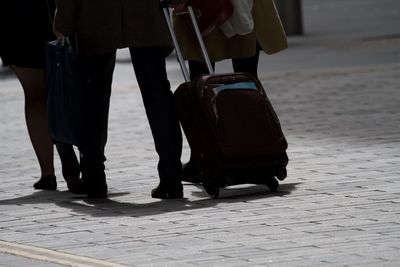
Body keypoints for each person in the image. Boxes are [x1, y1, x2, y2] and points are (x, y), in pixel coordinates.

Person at [53, 0, 184, 199]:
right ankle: (171, 176)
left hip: (96, 15)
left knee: (94, 97)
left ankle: (94, 176)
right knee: (157, 93)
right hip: (144, 12)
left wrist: (63, 21)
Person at [173, 0, 288, 183]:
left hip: (208, 7)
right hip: (244, 6)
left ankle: (204, 158)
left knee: (200, 82)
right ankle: (261, 152)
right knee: (246, 77)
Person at [0, 1, 84, 193]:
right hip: (53, 10)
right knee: (67, 88)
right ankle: (67, 151)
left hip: (15, 17)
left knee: (35, 95)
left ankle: (48, 173)